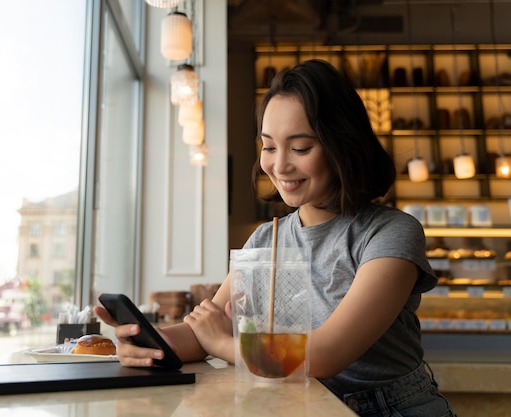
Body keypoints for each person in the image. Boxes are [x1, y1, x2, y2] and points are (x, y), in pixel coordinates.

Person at [94, 59, 456, 417]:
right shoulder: (267, 239)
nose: (279, 166)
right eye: (269, 147)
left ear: (343, 145)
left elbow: (325, 355)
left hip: (392, 409)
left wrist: (222, 343)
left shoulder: (390, 232)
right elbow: (201, 328)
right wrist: (146, 343)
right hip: (302, 405)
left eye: (300, 148)